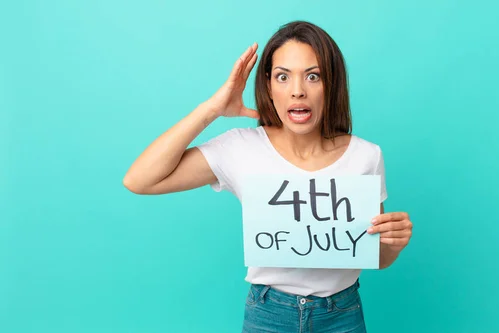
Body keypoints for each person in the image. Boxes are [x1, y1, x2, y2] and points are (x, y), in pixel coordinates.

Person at [123, 20, 413, 333]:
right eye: (283, 77)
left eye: (312, 76)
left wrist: (393, 244)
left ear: (331, 84)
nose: (298, 91)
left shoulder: (366, 156)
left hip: (341, 314)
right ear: (269, 86)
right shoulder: (241, 147)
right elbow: (140, 180)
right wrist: (212, 108)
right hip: (269, 315)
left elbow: (377, 258)